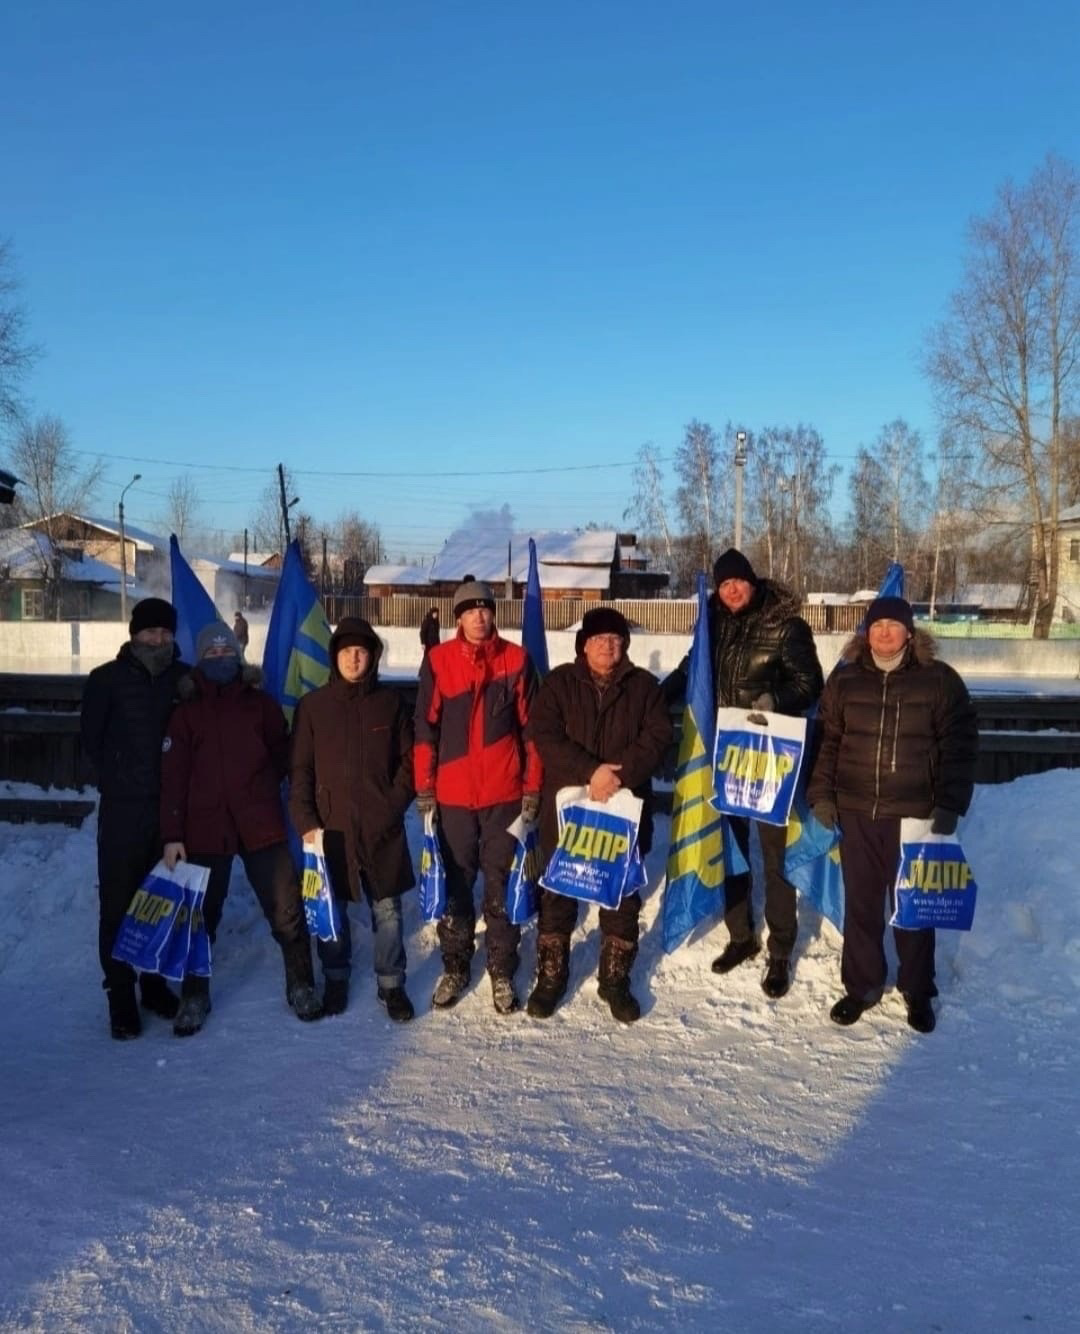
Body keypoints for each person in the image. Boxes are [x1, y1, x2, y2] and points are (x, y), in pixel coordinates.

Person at [807, 595, 978, 1034]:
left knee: (913, 906)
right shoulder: (845, 679)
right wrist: (821, 794)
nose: (884, 632)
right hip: (857, 811)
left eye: (893, 625)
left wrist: (949, 803)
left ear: (909, 632)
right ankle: (862, 986)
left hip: (915, 815)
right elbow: (828, 741)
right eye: (877, 625)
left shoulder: (939, 680)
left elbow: (959, 747)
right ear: (866, 632)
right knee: (862, 906)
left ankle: (917, 990)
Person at [664, 547, 824, 999]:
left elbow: (811, 683)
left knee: (775, 856)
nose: (731, 590)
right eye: (724, 584)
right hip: (724, 755)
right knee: (731, 849)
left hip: (769, 756)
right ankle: (741, 936)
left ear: (752, 582)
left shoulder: (785, 625)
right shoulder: (711, 625)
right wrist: (656, 698)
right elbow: (690, 671)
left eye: (738, 581)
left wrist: (776, 700)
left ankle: (780, 949)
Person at [160, 620, 322, 1035]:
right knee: (200, 916)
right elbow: (173, 778)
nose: (220, 658)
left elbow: (284, 754)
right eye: (211, 653)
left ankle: (301, 984)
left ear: (237, 655)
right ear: (200, 659)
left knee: (286, 908)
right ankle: (194, 995)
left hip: (259, 821)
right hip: (204, 828)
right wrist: (172, 835)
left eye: (225, 651)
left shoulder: (261, 705)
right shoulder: (186, 713)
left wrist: (266, 784)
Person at [525, 608, 672, 1023]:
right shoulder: (559, 684)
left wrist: (616, 776)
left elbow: (658, 736)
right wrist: (591, 772)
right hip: (569, 810)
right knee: (558, 892)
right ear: (584, 645)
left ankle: (615, 979)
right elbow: (544, 735)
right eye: (599, 639)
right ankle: (551, 976)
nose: (608, 645)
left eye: (615, 638)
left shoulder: (644, 687)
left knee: (621, 894)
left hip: (623, 809)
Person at [414, 577, 542, 1014]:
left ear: (493, 613)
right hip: (453, 798)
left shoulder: (517, 660)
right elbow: (424, 729)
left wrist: (532, 789)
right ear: (459, 618)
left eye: (485, 608)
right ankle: (455, 965)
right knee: (456, 883)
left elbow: (533, 733)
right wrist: (425, 787)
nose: (479, 616)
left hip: (504, 796)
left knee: (501, 884)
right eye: (470, 610)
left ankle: (502, 970)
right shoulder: (439, 661)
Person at [289, 617, 416, 1022]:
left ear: (373, 656)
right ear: (335, 657)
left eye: (361, 651)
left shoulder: (390, 703)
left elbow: (410, 762)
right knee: (334, 908)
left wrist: (393, 804)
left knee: (388, 909)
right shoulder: (314, 707)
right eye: (346, 651)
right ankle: (335, 977)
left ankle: (391, 982)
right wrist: (306, 821)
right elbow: (301, 770)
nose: (354, 658)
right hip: (332, 827)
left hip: (381, 825)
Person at [80, 597, 188, 1039]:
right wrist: (120, 776)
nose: (158, 639)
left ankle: (154, 984)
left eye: (165, 632)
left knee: (161, 903)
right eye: (150, 631)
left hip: (170, 812)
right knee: (118, 906)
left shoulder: (184, 680)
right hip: (124, 812)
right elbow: (91, 742)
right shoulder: (105, 679)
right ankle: (121, 996)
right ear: (134, 634)